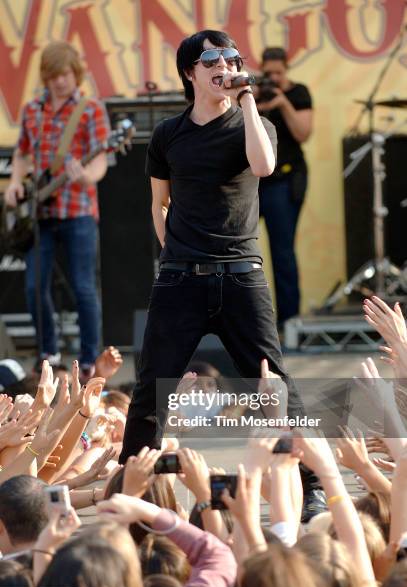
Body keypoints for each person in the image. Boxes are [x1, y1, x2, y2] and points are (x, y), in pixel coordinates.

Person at [119, 29, 304, 464]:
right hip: (182, 277)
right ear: (190, 73)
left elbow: (263, 165)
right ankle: (132, 486)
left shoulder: (256, 125)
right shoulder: (168, 134)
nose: (225, 66)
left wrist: (248, 101)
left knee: (271, 379)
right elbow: (158, 204)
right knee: (152, 386)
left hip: (241, 274)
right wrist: (174, 254)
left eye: (232, 58)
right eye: (212, 61)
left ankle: (310, 483)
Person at [4, 41, 110, 380]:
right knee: (35, 287)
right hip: (40, 214)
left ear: (74, 74)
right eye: (54, 75)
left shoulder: (90, 109)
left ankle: (90, 359)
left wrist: (85, 179)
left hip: (77, 209)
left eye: (65, 74)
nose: (60, 82)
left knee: (83, 287)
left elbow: (100, 162)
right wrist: (16, 183)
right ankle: (48, 352)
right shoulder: (33, 109)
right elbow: (21, 154)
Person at [256, 47, 313, 327]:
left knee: (282, 253)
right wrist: (251, 103)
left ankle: (288, 324)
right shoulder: (251, 93)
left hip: (285, 180)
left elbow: (303, 133)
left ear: (287, 69)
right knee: (239, 251)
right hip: (253, 183)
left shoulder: (297, 93)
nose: (274, 78)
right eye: (268, 74)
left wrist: (282, 104)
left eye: (278, 73)